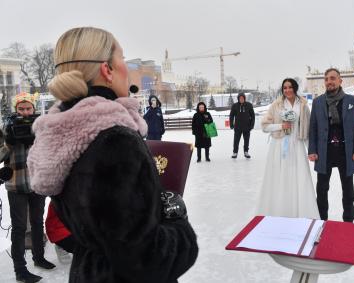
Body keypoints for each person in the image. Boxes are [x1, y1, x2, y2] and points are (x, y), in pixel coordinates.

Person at [27, 27, 198, 283]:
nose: (126, 68)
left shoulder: (62, 134)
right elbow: (144, 258)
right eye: (122, 59)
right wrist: (177, 223)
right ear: (107, 70)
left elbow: (98, 228)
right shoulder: (115, 142)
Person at [1, 92, 55, 283]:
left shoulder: (40, 127)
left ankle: (39, 258)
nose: (25, 113)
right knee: (19, 228)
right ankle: (20, 270)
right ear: (16, 110)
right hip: (16, 185)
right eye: (21, 109)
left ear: (33, 109)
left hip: (36, 182)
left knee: (37, 222)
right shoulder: (5, 128)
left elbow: (50, 151)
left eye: (28, 108)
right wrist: (9, 142)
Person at [257, 78, 319, 219]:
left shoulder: (303, 105)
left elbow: (307, 130)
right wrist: (280, 126)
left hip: (297, 146)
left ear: (295, 88)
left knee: (300, 178)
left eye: (290, 87)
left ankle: (301, 213)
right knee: (280, 179)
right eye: (285, 88)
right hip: (279, 147)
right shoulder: (276, 105)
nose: (287, 90)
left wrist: (311, 151)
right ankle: (280, 212)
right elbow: (265, 126)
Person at [308, 68, 354, 223]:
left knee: (348, 191)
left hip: (346, 152)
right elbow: (313, 128)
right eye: (326, 79)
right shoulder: (318, 102)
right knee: (322, 189)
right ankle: (321, 221)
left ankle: (348, 222)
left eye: (332, 78)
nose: (329, 81)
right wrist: (312, 150)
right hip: (324, 152)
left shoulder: (352, 101)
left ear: (340, 80)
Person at [229, 93, 255, 159]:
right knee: (236, 141)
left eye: (242, 98)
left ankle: (246, 152)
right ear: (238, 99)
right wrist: (231, 124)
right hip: (237, 127)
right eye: (240, 98)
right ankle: (235, 152)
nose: (241, 99)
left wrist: (251, 125)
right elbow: (231, 116)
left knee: (246, 140)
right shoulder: (234, 106)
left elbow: (253, 116)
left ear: (244, 98)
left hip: (247, 127)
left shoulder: (249, 105)